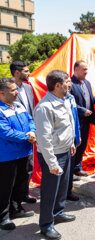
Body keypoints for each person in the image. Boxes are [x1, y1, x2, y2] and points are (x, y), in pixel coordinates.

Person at [34, 70, 76, 239]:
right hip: (53, 156)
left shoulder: (63, 100)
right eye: (67, 82)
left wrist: (71, 143)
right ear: (57, 85)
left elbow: (67, 125)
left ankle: (58, 212)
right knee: (50, 191)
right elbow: (43, 140)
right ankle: (46, 224)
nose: (70, 84)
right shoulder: (44, 107)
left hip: (65, 151)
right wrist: (52, 163)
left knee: (62, 188)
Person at [0, 78, 36, 231]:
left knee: (21, 182)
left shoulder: (19, 105)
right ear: (2, 93)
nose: (17, 92)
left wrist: (32, 131)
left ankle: (16, 208)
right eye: (13, 90)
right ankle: (3, 217)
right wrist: (27, 136)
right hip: (8, 156)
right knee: (5, 187)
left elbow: (30, 119)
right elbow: (5, 132)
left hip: (25, 152)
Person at [10, 61, 37, 205]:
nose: (29, 73)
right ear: (17, 72)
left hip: (30, 133)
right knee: (16, 171)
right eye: (26, 71)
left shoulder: (27, 87)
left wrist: (32, 130)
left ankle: (24, 193)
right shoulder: (7, 89)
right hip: (16, 134)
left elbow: (30, 111)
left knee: (28, 167)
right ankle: (13, 201)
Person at [70, 60, 95, 178]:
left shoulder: (87, 83)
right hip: (75, 120)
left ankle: (77, 168)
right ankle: (71, 171)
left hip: (86, 120)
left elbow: (89, 97)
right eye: (84, 69)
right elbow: (69, 102)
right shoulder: (70, 84)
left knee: (83, 145)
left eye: (87, 69)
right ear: (76, 69)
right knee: (75, 145)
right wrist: (82, 111)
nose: (86, 72)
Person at [66, 80, 81, 202]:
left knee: (70, 168)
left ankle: (68, 191)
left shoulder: (71, 98)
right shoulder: (49, 103)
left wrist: (78, 135)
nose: (70, 84)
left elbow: (74, 119)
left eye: (70, 82)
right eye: (67, 82)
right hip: (62, 142)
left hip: (73, 138)